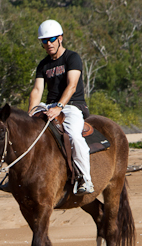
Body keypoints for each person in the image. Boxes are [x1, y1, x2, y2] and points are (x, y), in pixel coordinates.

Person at [28, 19, 93, 195]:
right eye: (44, 40)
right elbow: (37, 90)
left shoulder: (72, 58)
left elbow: (72, 86)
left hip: (72, 105)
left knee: (73, 135)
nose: (48, 43)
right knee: (27, 133)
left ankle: (85, 179)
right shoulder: (43, 65)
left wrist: (59, 106)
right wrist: (31, 113)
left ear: (60, 38)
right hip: (49, 105)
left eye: (52, 39)